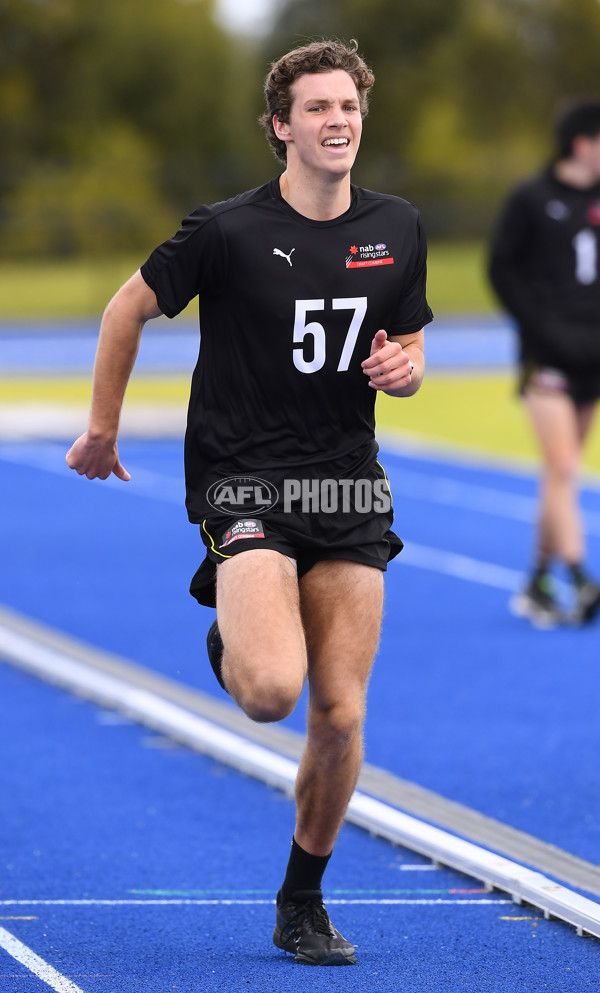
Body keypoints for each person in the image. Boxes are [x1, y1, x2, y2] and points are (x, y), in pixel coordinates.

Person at [66, 39, 431, 965]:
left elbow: (409, 352)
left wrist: (406, 369)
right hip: (244, 477)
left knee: (341, 714)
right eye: (316, 108)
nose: (336, 120)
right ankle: (233, 629)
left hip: (346, 480)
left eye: (347, 105)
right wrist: (102, 429)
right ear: (281, 127)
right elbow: (125, 310)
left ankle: (300, 901)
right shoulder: (225, 231)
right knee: (272, 690)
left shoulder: (399, 226)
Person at [489, 98, 600, 629]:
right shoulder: (531, 199)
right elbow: (501, 270)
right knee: (561, 468)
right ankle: (581, 578)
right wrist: (543, 331)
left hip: (592, 359)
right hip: (547, 357)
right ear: (583, 144)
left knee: (561, 477)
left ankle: (536, 580)